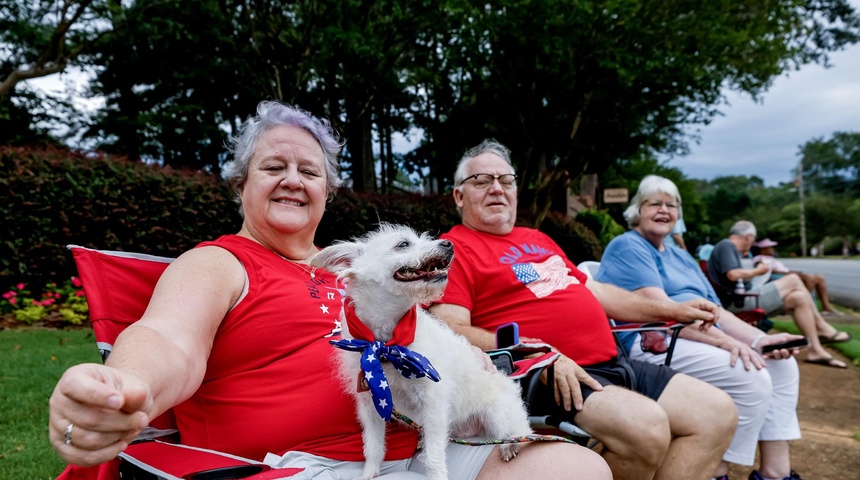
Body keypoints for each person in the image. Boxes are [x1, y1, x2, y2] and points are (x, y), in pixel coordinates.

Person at [48, 102, 611, 480]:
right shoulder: (220, 262)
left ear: (327, 193)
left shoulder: (355, 272)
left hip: (415, 446)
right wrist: (126, 386)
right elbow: (169, 340)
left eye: (310, 171)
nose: (293, 179)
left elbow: (437, 339)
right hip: (305, 465)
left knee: (582, 470)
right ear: (242, 183)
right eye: (274, 166)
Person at [429, 139, 738, 480]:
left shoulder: (537, 238)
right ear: (459, 196)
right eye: (482, 181)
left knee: (716, 413)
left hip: (612, 362)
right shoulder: (453, 250)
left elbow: (600, 292)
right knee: (646, 429)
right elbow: (450, 327)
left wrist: (674, 310)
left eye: (506, 180)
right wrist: (538, 352)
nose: (497, 189)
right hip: (542, 375)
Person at [598, 175, 805, 480]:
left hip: (695, 336)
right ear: (637, 210)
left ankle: (776, 473)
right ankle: (715, 472)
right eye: (655, 203)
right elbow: (665, 313)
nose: (664, 210)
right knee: (751, 375)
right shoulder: (628, 246)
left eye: (671, 204)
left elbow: (717, 311)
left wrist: (760, 340)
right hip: (653, 341)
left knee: (783, 366)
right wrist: (725, 342)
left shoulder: (681, 255)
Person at [707, 221, 851, 369]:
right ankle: (822, 327)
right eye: (753, 240)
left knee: (799, 297)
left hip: (741, 298)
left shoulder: (728, 248)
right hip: (737, 302)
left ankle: (816, 350)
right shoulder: (726, 246)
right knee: (794, 280)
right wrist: (759, 270)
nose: (752, 243)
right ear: (748, 237)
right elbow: (733, 274)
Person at [752, 238, 842, 316]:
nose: (772, 250)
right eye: (769, 248)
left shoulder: (772, 259)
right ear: (763, 249)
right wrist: (791, 273)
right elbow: (769, 270)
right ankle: (809, 306)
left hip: (786, 274)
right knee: (808, 278)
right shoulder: (760, 259)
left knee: (819, 278)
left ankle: (826, 307)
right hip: (778, 277)